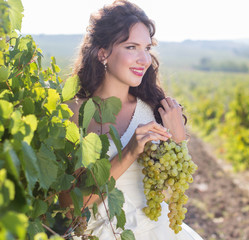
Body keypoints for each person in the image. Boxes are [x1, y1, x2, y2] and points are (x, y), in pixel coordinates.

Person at [63, 0, 204, 239]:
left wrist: (178, 140)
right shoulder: (73, 113)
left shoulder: (154, 111)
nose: (144, 59)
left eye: (147, 48)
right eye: (131, 47)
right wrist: (129, 152)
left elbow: (168, 196)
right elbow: (70, 208)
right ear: (103, 53)